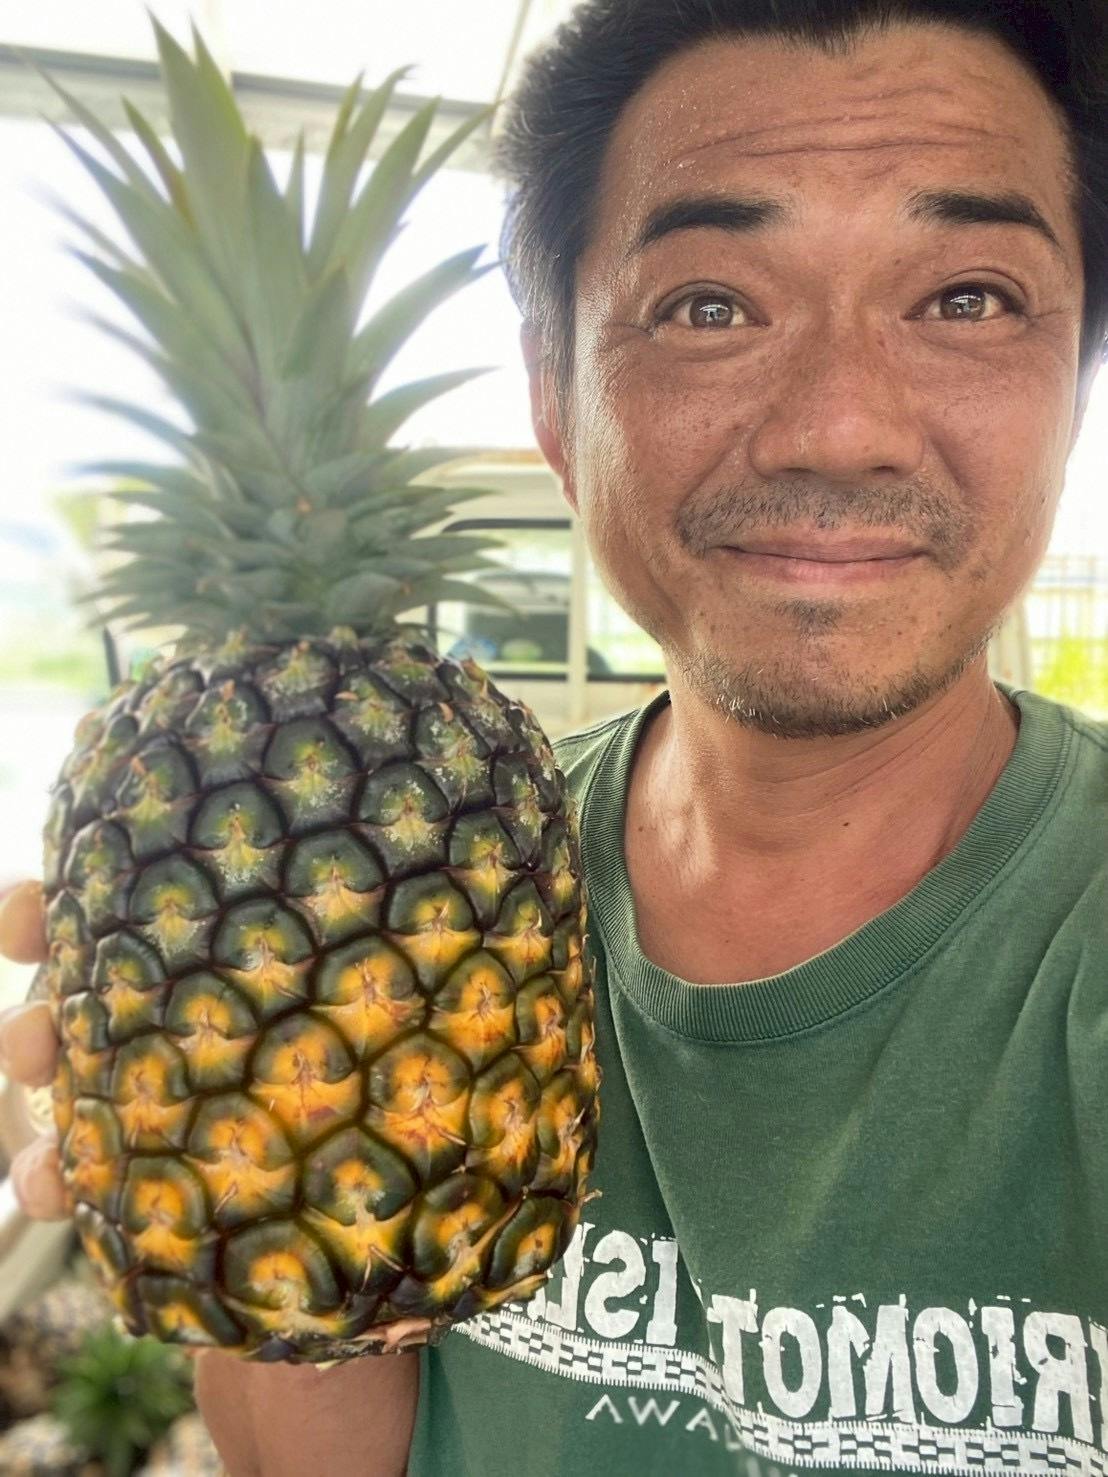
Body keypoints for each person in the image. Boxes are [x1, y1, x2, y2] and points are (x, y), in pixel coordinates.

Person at [2, 1, 1107, 1472]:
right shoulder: (449, 852)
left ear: (1076, 373)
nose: (841, 428)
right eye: (709, 305)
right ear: (552, 391)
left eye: (968, 297)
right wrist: (246, 1184)